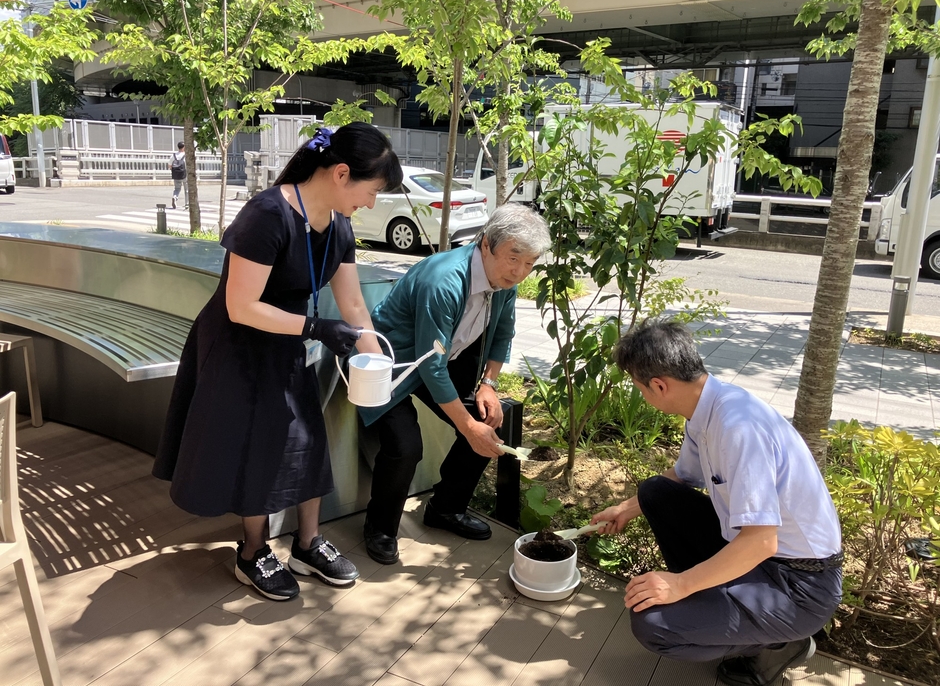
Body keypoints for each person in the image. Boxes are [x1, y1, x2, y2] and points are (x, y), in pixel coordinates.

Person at [153, 123, 402, 601]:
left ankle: (307, 544)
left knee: (307, 438)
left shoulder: (339, 226)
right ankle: (252, 552)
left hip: (287, 341)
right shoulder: (267, 214)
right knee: (258, 445)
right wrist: (315, 329)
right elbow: (239, 306)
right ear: (342, 173)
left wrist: (377, 366)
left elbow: (352, 306)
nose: (371, 203)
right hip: (238, 345)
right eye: (371, 192)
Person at [590, 319, 843, 686]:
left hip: (799, 584)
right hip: (761, 557)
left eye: (639, 387)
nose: (641, 394)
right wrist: (625, 509)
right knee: (655, 492)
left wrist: (679, 585)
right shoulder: (706, 409)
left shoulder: (737, 427)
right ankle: (723, 607)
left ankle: (776, 644)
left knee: (654, 625)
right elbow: (682, 477)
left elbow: (761, 541)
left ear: (659, 386)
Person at [358, 204, 551, 565]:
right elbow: (429, 366)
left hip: (442, 363)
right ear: (485, 244)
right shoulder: (445, 280)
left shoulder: (502, 281)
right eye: (514, 258)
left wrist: (489, 384)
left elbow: (503, 333)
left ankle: (446, 508)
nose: (520, 272)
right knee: (406, 446)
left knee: (492, 420)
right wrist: (468, 427)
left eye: (530, 263)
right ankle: (380, 527)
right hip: (392, 367)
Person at [169, 141, 187, 209]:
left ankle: (175, 197)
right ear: (184, 147)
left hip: (176, 174)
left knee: (177, 188)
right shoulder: (186, 155)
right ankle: (187, 204)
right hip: (185, 174)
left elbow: (170, 165)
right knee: (186, 189)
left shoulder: (173, 155)